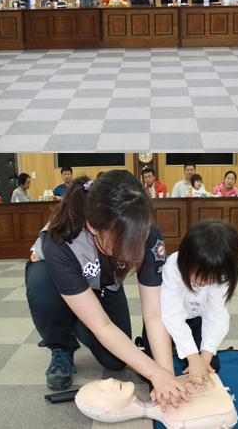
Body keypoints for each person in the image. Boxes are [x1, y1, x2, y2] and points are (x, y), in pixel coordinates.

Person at [25, 171, 188, 408]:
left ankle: (81, 316)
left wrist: (165, 375)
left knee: (115, 361)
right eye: (125, 242)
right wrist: (154, 373)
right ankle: (61, 344)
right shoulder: (60, 241)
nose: (135, 248)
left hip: (103, 283)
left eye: (140, 239)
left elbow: (154, 313)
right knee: (44, 289)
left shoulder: (149, 233)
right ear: (93, 227)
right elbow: (102, 326)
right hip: (53, 278)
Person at [160, 219, 238, 385]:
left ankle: (182, 349)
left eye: (211, 278)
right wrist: (192, 355)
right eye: (198, 274)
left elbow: (216, 314)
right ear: (186, 258)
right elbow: (172, 315)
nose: (202, 283)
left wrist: (204, 357)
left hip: (195, 319)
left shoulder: (223, 273)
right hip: (164, 320)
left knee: (212, 366)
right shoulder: (172, 267)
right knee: (154, 368)